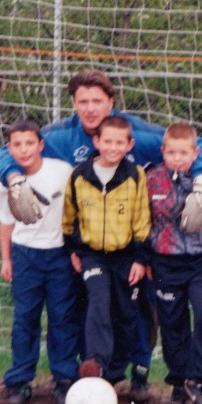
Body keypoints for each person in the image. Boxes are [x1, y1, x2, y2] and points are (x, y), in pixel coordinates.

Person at [0, 68, 202, 403]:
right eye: (83, 101)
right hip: (83, 248)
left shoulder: (133, 133)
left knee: (138, 308)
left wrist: (200, 183)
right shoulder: (59, 136)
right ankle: (82, 374)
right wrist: (13, 177)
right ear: (74, 104)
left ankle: (139, 372)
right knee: (80, 309)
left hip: (132, 245)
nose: (90, 108)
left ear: (111, 102)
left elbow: (197, 145)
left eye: (97, 101)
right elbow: (7, 150)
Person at [145, 122, 202, 404]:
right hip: (165, 264)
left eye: (184, 153)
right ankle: (178, 384)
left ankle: (196, 380)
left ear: (195, 154)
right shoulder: (150, 182)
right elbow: (142, 225)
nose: (177, 158)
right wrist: (146, 259)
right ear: (163, 152)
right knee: (173, 326)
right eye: (172, 152)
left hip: (201, 263)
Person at [0, 120, 80, 404]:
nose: (24, 149)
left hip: (59, 255)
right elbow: (6, 223)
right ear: (9, 149)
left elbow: (77, 210)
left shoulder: (62, 171)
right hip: (25, 255)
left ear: (41, 145)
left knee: (62, 317)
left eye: (29, 143)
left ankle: (64, 378)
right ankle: (20, 380)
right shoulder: (8, 183)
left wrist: (76, 249)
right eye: (17, 145)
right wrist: (6, 259)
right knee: (25, 319)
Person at [62, 115, 151, 386]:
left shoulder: (135, 175)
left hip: (126, 255)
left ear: (129, 145)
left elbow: (142, 219)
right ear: (96, 141)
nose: (113, 148)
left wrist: (141, 259)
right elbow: (69, 217)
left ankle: (114, 374)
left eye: (119, 143)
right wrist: (73, 250)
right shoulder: (79, 175)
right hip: (92, 255)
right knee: (98, 300)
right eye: (107, 142)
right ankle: (96, 362)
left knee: (125, 314)